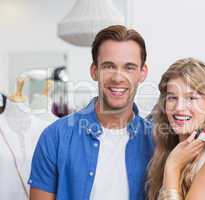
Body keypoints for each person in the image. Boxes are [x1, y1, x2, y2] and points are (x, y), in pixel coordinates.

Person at [28, 25, 154, 200]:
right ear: (94, 71)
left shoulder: (157, 141)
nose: (118, 78)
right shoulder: (55, 137)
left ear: (142, 73)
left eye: (129, 67)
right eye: (109, 66)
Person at [147, 58, 205, 200]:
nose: (179, 107)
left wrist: (173, 167)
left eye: (191, 98)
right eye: (172, 97)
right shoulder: (166, 151)